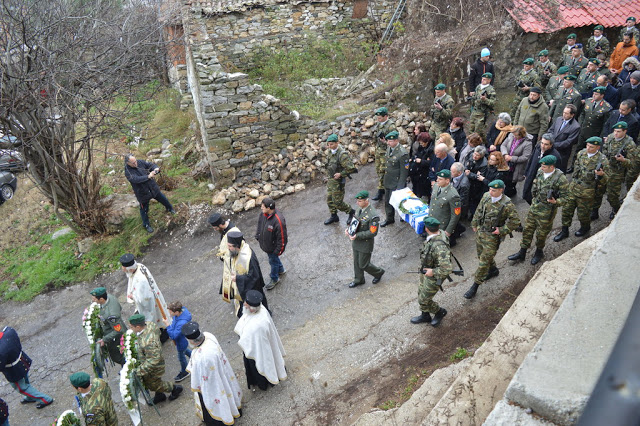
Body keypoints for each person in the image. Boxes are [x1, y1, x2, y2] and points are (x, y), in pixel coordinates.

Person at [465, 180, 521, 299]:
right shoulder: (486, 196)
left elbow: (515, 222)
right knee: (481, 256)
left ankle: (475, 285)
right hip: (481, 232)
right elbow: (479, 210)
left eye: (494, 190)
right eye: (490, 189)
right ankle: (493, 270)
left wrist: (501, 230)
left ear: (501, 190)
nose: (490, 192)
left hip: (492, 237)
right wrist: (474, 224)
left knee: (484, 261)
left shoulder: (507, 204)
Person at [508, 155, 569, 265]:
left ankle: (539, 252)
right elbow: (535, 187)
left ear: (551, 167)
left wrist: (556, 202)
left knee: (541, 234)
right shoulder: (540, 171)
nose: (542, 167)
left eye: (544, 166)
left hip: (547, 211)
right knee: (527, 230)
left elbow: (566, 198)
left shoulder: (560, 179)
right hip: (535, 207)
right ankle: (522, 252)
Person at [182, 322, 242, 425]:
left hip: (213, 383)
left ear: (191, 341)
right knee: (227, 389)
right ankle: (233, 409)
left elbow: (202, 378)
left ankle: (223, 418)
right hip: (222, 372)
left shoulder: (201, 357)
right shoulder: (209, 336)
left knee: (217, 398)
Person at [553, 137, 608, 241]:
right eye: (587, 145)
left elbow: (606, 180)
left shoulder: (603, 160)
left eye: (591, 147)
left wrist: (601, 175)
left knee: (583, 214)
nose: (588, 148)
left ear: (598, 147)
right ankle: (564, 231)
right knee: (566, 211)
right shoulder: (581, 154)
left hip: (586, 193)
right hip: (573, 188)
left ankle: (585, 228)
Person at [234, 290, 287, 391]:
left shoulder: (258, 324)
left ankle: (263, 383)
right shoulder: (260, 308)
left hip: (257, 350)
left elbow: (254, 340)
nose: (244, 304)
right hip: (255, 345)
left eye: (246, 304)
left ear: (252, 309)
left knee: (259, 366)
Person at [128, 314, 183, 404]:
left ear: (138, 327)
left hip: (154, 366)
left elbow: (153, 360)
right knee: (155, 382)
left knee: (153, 384)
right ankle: (160, 395)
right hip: (151, 358)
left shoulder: (148, 342)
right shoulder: (149, 324)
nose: (130, 329)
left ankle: (174, 388)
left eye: (131, 327)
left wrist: (139, 371)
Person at [410, 217, 451, 326]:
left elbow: (446, 268)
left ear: (427, 229)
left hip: (434, 275)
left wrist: (433, 271)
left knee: (424, 299)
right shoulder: (438, 234)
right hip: (426, 271)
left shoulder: (439, 246)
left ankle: (439, 312)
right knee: (421, 293)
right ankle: (425, 315)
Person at [0, 326, 54, 409]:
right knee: (25, 379)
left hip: (14, 370)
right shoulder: (9, 331)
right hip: (23, 359)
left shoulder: (1, 350)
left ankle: (45, 399)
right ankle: (30, 397)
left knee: (22, 388)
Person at [120, 253, 170, 342]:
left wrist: (133, 297)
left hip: (150, 302)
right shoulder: (139, 266)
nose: (123, 270)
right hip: (154, 295)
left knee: (153, 319)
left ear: (130, 269)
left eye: (124, 269)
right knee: (159, 315)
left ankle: (162, 336)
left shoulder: (141, 280)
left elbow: (145, 299)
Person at [124, 154, 175, 233]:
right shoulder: (127, 171)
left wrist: (155, 168)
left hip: (152, 187)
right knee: (144, 209)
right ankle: (146, 224)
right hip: (142, 192)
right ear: (128, 163)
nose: (136, 163)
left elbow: (150, 165)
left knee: (163, 199)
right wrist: (148, 176)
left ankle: (170, 208)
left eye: (135, 161)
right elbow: (135, 179)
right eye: (133, 163)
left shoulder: (140, 162)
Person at [598, 122, 638, 219]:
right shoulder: (610, 137)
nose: (616, 133)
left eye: (619, 131)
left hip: (617, 172)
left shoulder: (629, 144)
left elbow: (632, 163)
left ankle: (616, 209)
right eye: (615, 131)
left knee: (612, 196)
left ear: (625, 131)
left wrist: (623, 160)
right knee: (598, 191)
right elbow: (604, 150)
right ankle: (595, 211)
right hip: (606, 168)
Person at [225, 230, 269, 317]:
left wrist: (237, 279)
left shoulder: (248, 258)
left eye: (230, 246)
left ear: (237, 246)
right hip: (243, 287)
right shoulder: (238, 250)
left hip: (252, 288)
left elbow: (255, 277)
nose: (228, 248)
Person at [346, 191, 385, 288]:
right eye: (357, 201)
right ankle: (359, 279)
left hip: (365, 244)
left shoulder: (373, 215)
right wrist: (349, 230)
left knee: (363, 264)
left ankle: (378, 272)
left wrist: (357, 235)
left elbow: (372, 232)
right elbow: (356, 222)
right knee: (356, 262)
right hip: (356, 242)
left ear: (366, 201)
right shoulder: (360, 208)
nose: (357, 203)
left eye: (360, 201)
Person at [574, 86, 613, 172]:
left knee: (590, 151)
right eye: (593, 94)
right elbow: (583, 114)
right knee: (578, 149)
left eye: (596, 94)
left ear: (602, 95)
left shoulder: (606, 107)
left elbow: (605, 124)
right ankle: (574, 166)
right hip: (583, 130)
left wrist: (601, 136)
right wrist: (580, 124)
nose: (594, 95)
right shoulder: (588, 101)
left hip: (594, 133)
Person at [323, 134, 357, 225]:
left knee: (338, 203)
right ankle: (334, 216)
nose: (330, 146)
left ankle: (351, 212)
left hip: (338, 182)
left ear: (337, 143)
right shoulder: (330, 152)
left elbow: (351, 168)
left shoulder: (342, 154)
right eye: (328, 144)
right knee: (329, 199)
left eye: (332, 144)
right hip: (331, 181)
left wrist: (341, 174)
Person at [255, 198, 288, 290]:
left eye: (263, 206)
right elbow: (259, 225)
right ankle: (281, 270)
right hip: (267, 245)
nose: (261, 207)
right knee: (274, 260)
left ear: (269, 208)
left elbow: (282, 238)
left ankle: (274, 278)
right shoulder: (263, 214)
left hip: (273, 249)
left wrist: (278, 251)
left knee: (273, 261)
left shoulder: (278, 221)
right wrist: (258, 236)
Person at [89, 286, 126, 366]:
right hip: (112, 325)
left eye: (94, 299)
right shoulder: (110, 297)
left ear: (101, 299)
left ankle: (127, 367)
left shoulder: (112, 315)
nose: (93, 300)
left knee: (117, 356)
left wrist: (105, 339)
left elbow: (118, 330)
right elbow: (119, 307)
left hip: (116, 337)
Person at [522, 134, 563, 204]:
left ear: (551, 145)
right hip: (531, 176)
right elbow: (531, 160)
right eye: (542, 143)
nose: (543, 146)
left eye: (546, 144)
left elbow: (557, 173)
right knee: (526, 195)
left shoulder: (555, 156)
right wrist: (526, 173)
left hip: (543, 183)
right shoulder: (538, 147)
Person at [381, 130, 409, 227]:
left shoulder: (402, 153)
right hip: (388, 180)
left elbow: (404, 172)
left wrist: (400, 186)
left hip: (397, 182)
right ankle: (389, 218)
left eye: (390, 141)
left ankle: (404, 216)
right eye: (388, 141)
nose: (388, 143)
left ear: (396, 140)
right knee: (387, 201)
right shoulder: (390, 148)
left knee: (400, 202)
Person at [428, 169, 462, 246]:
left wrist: (449, 231)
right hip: (433, 220)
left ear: (447, 181)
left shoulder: (453, 195)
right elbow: (433, 202)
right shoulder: (436, 186)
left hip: (442, 225)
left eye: (440, 179)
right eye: (437, 178)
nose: (437, 180)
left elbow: (456, 215)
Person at [500, 125, 534, 197]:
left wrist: (512, 158)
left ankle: (510, 193)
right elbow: (503, 145)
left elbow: (525, 157)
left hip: (516, 167)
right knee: (504, 179)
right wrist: (505, 154)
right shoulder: (511, 135)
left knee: (510, 182)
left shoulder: (528, 143)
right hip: (506, 163)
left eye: (516, 135)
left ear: (521, 135)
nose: (514, 137)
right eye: (513, 135)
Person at [371, 107, 397, 201]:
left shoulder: (391, 126)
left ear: (385, 116)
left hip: (386, 152)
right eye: (378, 118)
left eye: (380, 118)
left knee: (383, 171)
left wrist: (386, 142)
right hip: (379, 151)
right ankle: (383, 188)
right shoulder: (379, 124)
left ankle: (381, 191)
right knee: (378, 170)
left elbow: (395, 141)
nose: (378, 119)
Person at [163, 301, 192, 382]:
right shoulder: (182, 312)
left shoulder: (181, 323)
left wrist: (168, 326)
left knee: (181, 357)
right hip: (182, 341)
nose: (169, 313)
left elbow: (173, 336)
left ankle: (185, 371)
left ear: (176, 312)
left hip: (181, 342)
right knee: (185, 350)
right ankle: (194, 357)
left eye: (170, 312)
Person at [548, 104, 581, 172]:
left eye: (566, 113)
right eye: (563, 112)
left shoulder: (575, 127)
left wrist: (553, 145)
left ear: (572, 115)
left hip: (562, 153)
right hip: (550, 149)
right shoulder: (559, 119)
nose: (564, 115)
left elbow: (568, 142)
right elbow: (551, 130)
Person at [464, 145, 489, 219]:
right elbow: (466, 163)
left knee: (474, 199)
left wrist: (470, 174)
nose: (474, 156)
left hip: (476, 185)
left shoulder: (483, 164)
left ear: (481, 156)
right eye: (474, 154)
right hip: (469, 180)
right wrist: (466, 170)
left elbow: (480, 177)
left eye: (477, 155)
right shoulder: (471, 154)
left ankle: (473, 214)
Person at [469, 72, 496, 138]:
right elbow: (475, 97)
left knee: (479, 132)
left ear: (489, 80)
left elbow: (493, 103)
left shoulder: (491, 90)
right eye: (482, 79)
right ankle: (471, 143)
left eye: (485, 79)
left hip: (482, 113)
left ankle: (482, 144)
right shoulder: (479, 87)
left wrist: (485, 99)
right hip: (475, 111)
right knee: (471, 129)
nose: (482, 80)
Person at [408, 132, 434, 200]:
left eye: (422, 143)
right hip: (418, 171)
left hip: (425, 173)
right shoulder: (422, 146)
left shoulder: (431, 149)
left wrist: (422, 161)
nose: (421, 144)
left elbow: (431, 162)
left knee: (425, 190)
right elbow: (417, 154)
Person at [450, 162, 470, 240]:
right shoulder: (454, 176)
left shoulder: (464, 184)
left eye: (453, 172)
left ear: (459, 173)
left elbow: (463, 201)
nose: (450, 173)